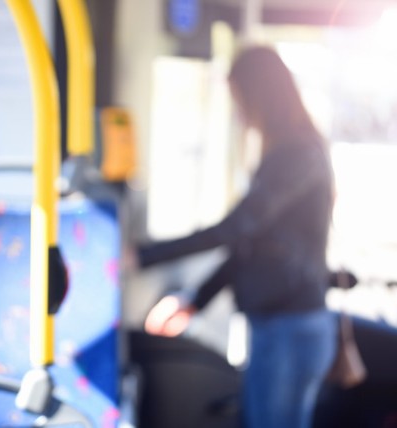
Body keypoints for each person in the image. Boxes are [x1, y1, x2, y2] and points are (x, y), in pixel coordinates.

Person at [136, 45, 337, 428]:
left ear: (260, 95)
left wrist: (143, 256)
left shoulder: (294, 155)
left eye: (240, 97)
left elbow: (236, 229)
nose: (238, 111)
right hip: (285, 325)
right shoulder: (291, 152)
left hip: (288, 328)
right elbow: (252, 245)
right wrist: (195, 300)